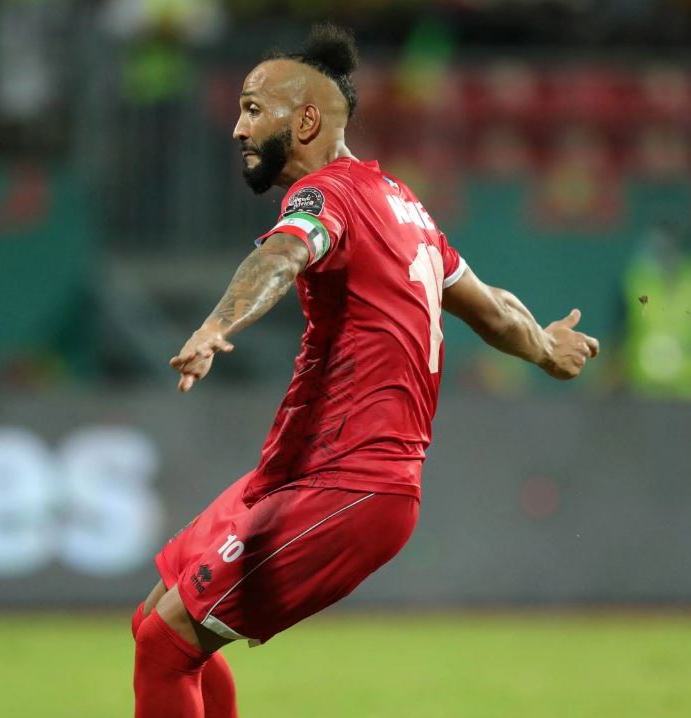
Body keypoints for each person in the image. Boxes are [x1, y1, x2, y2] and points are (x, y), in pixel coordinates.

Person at [131, 24, 599, 718]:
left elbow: (281, 256)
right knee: (155, 625)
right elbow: (493, 309)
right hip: (298, 472)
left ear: (306, 121)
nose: (237, 128)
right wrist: (544, 348)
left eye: (253, 109)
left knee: (167, 645)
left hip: (350, 481)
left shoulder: (327, 198)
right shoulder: (403, 205)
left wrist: (217, 324)